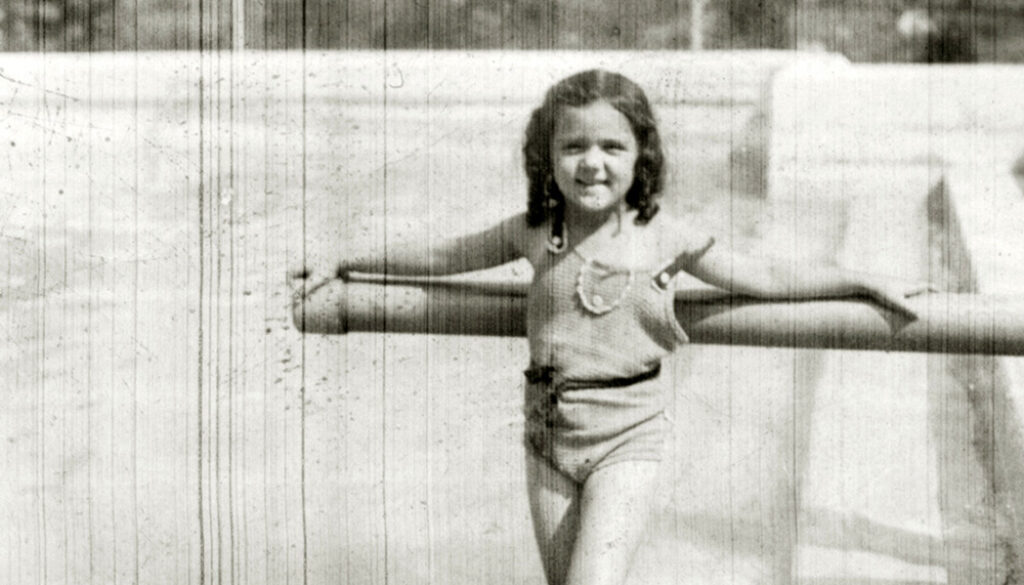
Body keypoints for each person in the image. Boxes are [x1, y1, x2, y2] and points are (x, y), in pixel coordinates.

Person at [290, 69, 930, 585]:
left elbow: (761, 275)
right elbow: (441, 257)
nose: (591, 163)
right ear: (547, 156)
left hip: (628, 437)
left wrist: (858, 279)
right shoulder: (535, 232)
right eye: (573, 146)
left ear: (641, 156)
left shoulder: (667, 237)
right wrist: (346, 257)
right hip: (546, 434)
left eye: (611, 146)